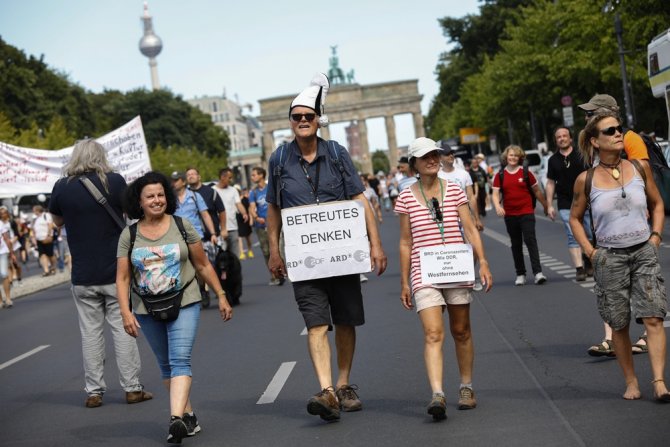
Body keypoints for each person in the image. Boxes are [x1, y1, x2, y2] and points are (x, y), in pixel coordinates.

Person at [266, 73, 387, 422]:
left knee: (345, 320)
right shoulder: (278, 160)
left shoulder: (336, 152)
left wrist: (375, 244)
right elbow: (274, 208)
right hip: (305, 259)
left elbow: (359, 199)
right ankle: (327, 390)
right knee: (316, 322)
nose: (303, 122)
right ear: (290, 121)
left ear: (319, 120)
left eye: (309, 116)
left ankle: (345, 382)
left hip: (343, 253)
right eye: (296, 117)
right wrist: (274, 251)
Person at [116, 171, 233, 443]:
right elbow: (122, 278)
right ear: (139, 202)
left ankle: (175, 420)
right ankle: (187, 417)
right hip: (146, 307)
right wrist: (125, 312)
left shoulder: (182, 226)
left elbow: (203, 264)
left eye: (160, 195)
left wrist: (221, 294)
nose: (157, 200)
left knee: (180, 359)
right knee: (166, 364)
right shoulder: (129, 235)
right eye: (150, 197)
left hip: (185, 299)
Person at [569, 111, 669, 402]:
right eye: (610, 131)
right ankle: (631, 382)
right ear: (595, 141)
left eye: (619, 129)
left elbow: (658, 204)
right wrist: (590, 251)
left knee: (654, 317)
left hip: (643, 252)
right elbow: (575, 218)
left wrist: (655, 236)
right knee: (619, 324)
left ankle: (660, 382)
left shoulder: (639, 168)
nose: (618, 134)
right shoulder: (585, 180)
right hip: (609, 257)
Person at [49, 138, 153, 409]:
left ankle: (94, 392)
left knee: (90, 334)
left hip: (82, 274)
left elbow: (57, 220)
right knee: (123, 328)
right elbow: (133, 213)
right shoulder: (115, 182)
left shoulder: (61, 187)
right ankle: (132, 388)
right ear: (100, 156)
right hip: (115, 272)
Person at [396, 137, 493, 421]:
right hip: (424, 271)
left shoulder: (454, 190)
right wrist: (404, 281)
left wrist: (483, 261)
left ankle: (466, 386)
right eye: (426, 156)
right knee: (433, 333)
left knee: (461, 330)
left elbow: (471, 228)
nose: (433, 159)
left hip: (457, 268)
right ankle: (437, 393)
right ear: (414, 163)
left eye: (435, 155)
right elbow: (404, 242)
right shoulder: (404, 197)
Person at [578, 94, 651, 357]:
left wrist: (653, 236)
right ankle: (610, 338)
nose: (586, 118)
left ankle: (645, 334)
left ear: (606, 112)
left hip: (635, 231)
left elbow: (643, 176)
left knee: (640, 287)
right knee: (609, 287)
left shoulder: (629, 139)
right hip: (608, 231)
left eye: (590, 113)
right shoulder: (596, 140)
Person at [492, 145, 549, 285]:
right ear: (506, 157)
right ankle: (520, 274)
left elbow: (537, 191)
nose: (513, 158)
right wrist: (498, 206)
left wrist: (547, 206)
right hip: (510, 214)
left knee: (530, 241)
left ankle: (538, 273)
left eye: (516, 156)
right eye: (511, 155)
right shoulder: (500, 175)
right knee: (516, 244)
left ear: (520, 158)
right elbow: (495, 194)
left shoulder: (526, 173)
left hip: (526, 212)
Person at [545, 126, 593, 282]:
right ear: (556, 140)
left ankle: (588, 259)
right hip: (566, 203)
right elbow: (551, 183)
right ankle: (579, 269)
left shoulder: (581, 155)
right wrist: (549, 204)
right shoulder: (553, 160)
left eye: (564, 136)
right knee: (572, 235)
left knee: (590, 233)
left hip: (586, 200)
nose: (562, 138)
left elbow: (593, 175)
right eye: (558, 137)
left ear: (570, 138)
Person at [185, 167, 227, 307]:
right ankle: (203, 292)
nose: (191, 176)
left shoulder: (210, 192)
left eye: (193, 174)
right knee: (199, 267)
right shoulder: (184, 195)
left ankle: (220, 291)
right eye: (188, 174)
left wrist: (222, 229)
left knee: (215, 266)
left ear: (199, 176)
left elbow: (221, 211)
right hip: (196, 238)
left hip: (211, 236)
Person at [249, 166, 284, 286]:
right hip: (261, 225)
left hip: (274, 224)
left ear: (261, 175)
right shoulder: (253, 192)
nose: (252, 177)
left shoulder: (270, 188)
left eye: (254, 174)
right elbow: (252, 208)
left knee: (279, 248)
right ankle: (274, 275)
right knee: (266, 251)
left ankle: (283, 273)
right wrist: (255, 217)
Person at [212, 167, 249, 259]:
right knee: (221, 257)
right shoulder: (212, 191)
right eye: (229, 177)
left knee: (235, 257)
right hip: (219, 230)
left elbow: (238, 204)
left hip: (233, 228)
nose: (231, 180)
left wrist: (244, 213)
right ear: (222, 177)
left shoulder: (233, 190)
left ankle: (236, 273)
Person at [31, 205, 56, 276]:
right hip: (39, 239)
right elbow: (34, 229)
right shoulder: (36, 218)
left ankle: (53, 267)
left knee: (50, 255)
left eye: (34, 210)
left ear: (37, 210)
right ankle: (46, 270)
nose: (33, 212)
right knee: (42, 255)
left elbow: (50, 225)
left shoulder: (46, 215)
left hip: (47, 238)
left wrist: (49, 235)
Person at [0, 206, 17, 308]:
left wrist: (11, 253)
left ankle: (8, 298)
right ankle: (0, 301)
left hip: (2, 252)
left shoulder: (1, 224)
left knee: (4, 274)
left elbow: (7, 239)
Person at [235, 185, 254, 260]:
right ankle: (242, 252)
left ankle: (250, 250)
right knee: (239, 237)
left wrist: (251, 219)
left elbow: (249, 209)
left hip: (246, 220)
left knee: (247, 236)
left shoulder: (245, 199)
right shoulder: (235, 201)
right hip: (238, 220)